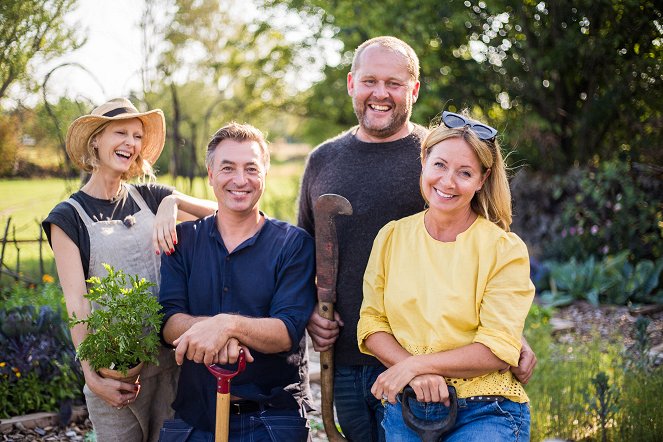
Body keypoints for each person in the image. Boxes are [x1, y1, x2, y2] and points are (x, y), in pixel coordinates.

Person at [297, 36, 536, 441]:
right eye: (370, 80)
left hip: (446, 366)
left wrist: (508, 336)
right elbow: (302, 251)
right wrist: (308, 312)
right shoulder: (323, 160)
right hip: (354, 355)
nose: (380, 93)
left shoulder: (441, 153)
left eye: (394, 83)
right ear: (352, 83)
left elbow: (485, 251)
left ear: (414, 90)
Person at [43, 97, 217, 442]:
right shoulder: (67, 218)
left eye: (137, 136)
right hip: (116, 373)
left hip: (170, 363)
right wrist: (92, 377)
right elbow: (77, 305)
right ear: (96, 139)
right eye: (120, 132)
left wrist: (174, 201)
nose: (131, 143)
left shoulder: (151, 198)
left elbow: (224, 213)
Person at [358, 110, 535, 440]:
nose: (448, 181)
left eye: (465, 172)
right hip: (407, 402)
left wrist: (415, 366)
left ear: (482, 180)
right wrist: (414, 372)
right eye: (440, 165)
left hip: (487, 407)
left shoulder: (503, 249)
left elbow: (498, 348)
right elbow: (372, 325)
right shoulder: (392, 237)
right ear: (424, 160)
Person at [158, 122, 316, 441]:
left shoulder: (294, 244)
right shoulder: (183, 241)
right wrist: (216, 331)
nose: (240, 180)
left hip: (271, 417)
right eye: (228, 168)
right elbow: (168, 322)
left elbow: (286, 332)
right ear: (211, 175)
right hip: (195, 416)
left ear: (265, 175)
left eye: (251, 169)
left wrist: (228, 325)